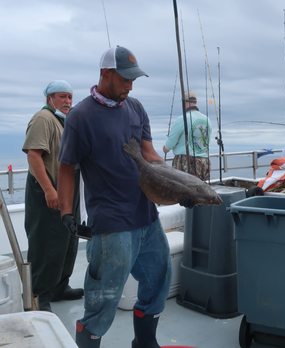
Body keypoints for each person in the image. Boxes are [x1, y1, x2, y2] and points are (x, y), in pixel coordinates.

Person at [57, 46, 171, 348]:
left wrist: (180, 184)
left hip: (146, 216)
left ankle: (145, 343)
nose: (130, 86)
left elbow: (149, 155)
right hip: (111, 225)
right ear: (105, 74)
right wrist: (66, 212)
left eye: (133, 80)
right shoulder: (80, 116)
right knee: (103, 299)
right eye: (125, 80)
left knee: (158, 282)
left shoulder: (135, 108)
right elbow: (67, 167)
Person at [22, 80, 83, 312]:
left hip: (69, 188)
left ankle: (59, 287)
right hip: (47, 188)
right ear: (49, 98)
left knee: (68, 241)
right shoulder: (43, 118)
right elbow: (34, 156)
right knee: (46, 243)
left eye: (69, 97)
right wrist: (49, 189)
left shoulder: (64, 121)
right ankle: (39, 295)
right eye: (61, 97)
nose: (67, 101)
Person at [163, 91, 212, 181]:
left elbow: (168, 146)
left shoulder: (182, 119)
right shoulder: (207, 120)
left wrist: (165, 148)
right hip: (204, 162)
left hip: (185, 162)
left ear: (185, 102)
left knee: (183, 191)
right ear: (195, 102)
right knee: (201, 191)